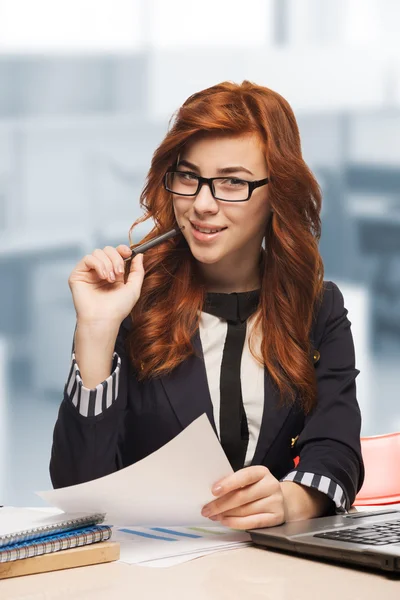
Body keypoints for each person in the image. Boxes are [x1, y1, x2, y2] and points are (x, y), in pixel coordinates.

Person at [50, 80, 364, 530]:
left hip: (271, 574)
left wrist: (291, 500)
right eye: (188, 177)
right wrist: (96, 332)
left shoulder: (319, 308)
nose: (201, 204)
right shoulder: (130, 304)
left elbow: (336, 450)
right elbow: (77, 493)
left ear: (278, 192)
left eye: (232, 182)